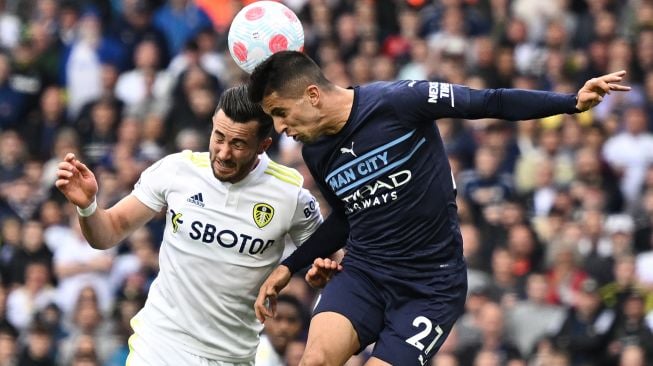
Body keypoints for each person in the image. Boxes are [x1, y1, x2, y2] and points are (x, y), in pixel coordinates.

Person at [248, 50, 630, 366]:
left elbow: (489, 101)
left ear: (312, 95)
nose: (281, 128)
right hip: (366, 273)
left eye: (281, 113)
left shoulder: (399, 101)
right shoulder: (315, 150)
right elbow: (347, 217)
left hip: (430, 286)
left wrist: (571, 103)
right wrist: (288, 267)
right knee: (313, 361)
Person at [54, 85, 324, 365]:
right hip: (159, 345)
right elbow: (108, 233)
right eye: (218, 137)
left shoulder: (290, 195)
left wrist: (321, 271)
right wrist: (87, 206)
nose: (223, 153)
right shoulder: (177, 171)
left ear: (263, 145)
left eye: (238, 144)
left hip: (231, 356)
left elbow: (331, 261)